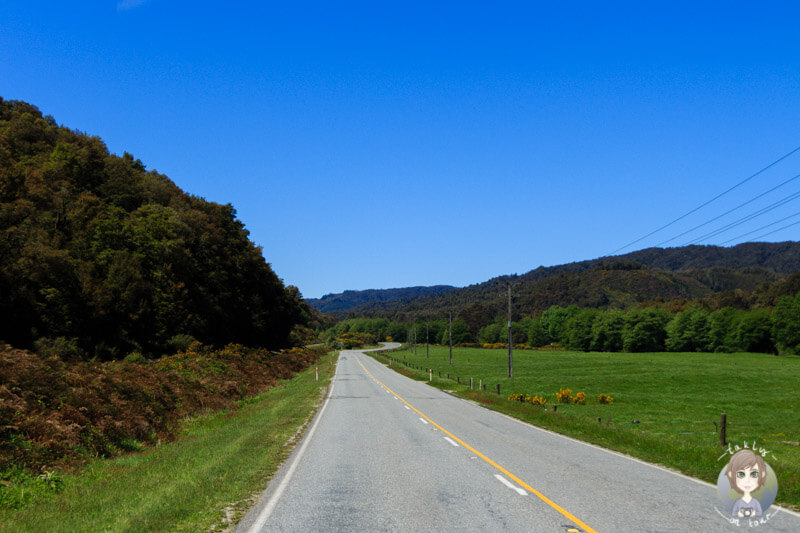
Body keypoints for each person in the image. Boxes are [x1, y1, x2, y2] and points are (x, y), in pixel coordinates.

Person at [725, 449, 767, 518]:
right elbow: (734, 513)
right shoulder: (738, 502)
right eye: (741, 474)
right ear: (731, 475)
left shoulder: (755, 502)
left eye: (754, 474)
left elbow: (759, 513)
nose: (747, 480)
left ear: (762, 474)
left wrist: (753, 514)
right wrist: (739, 514)